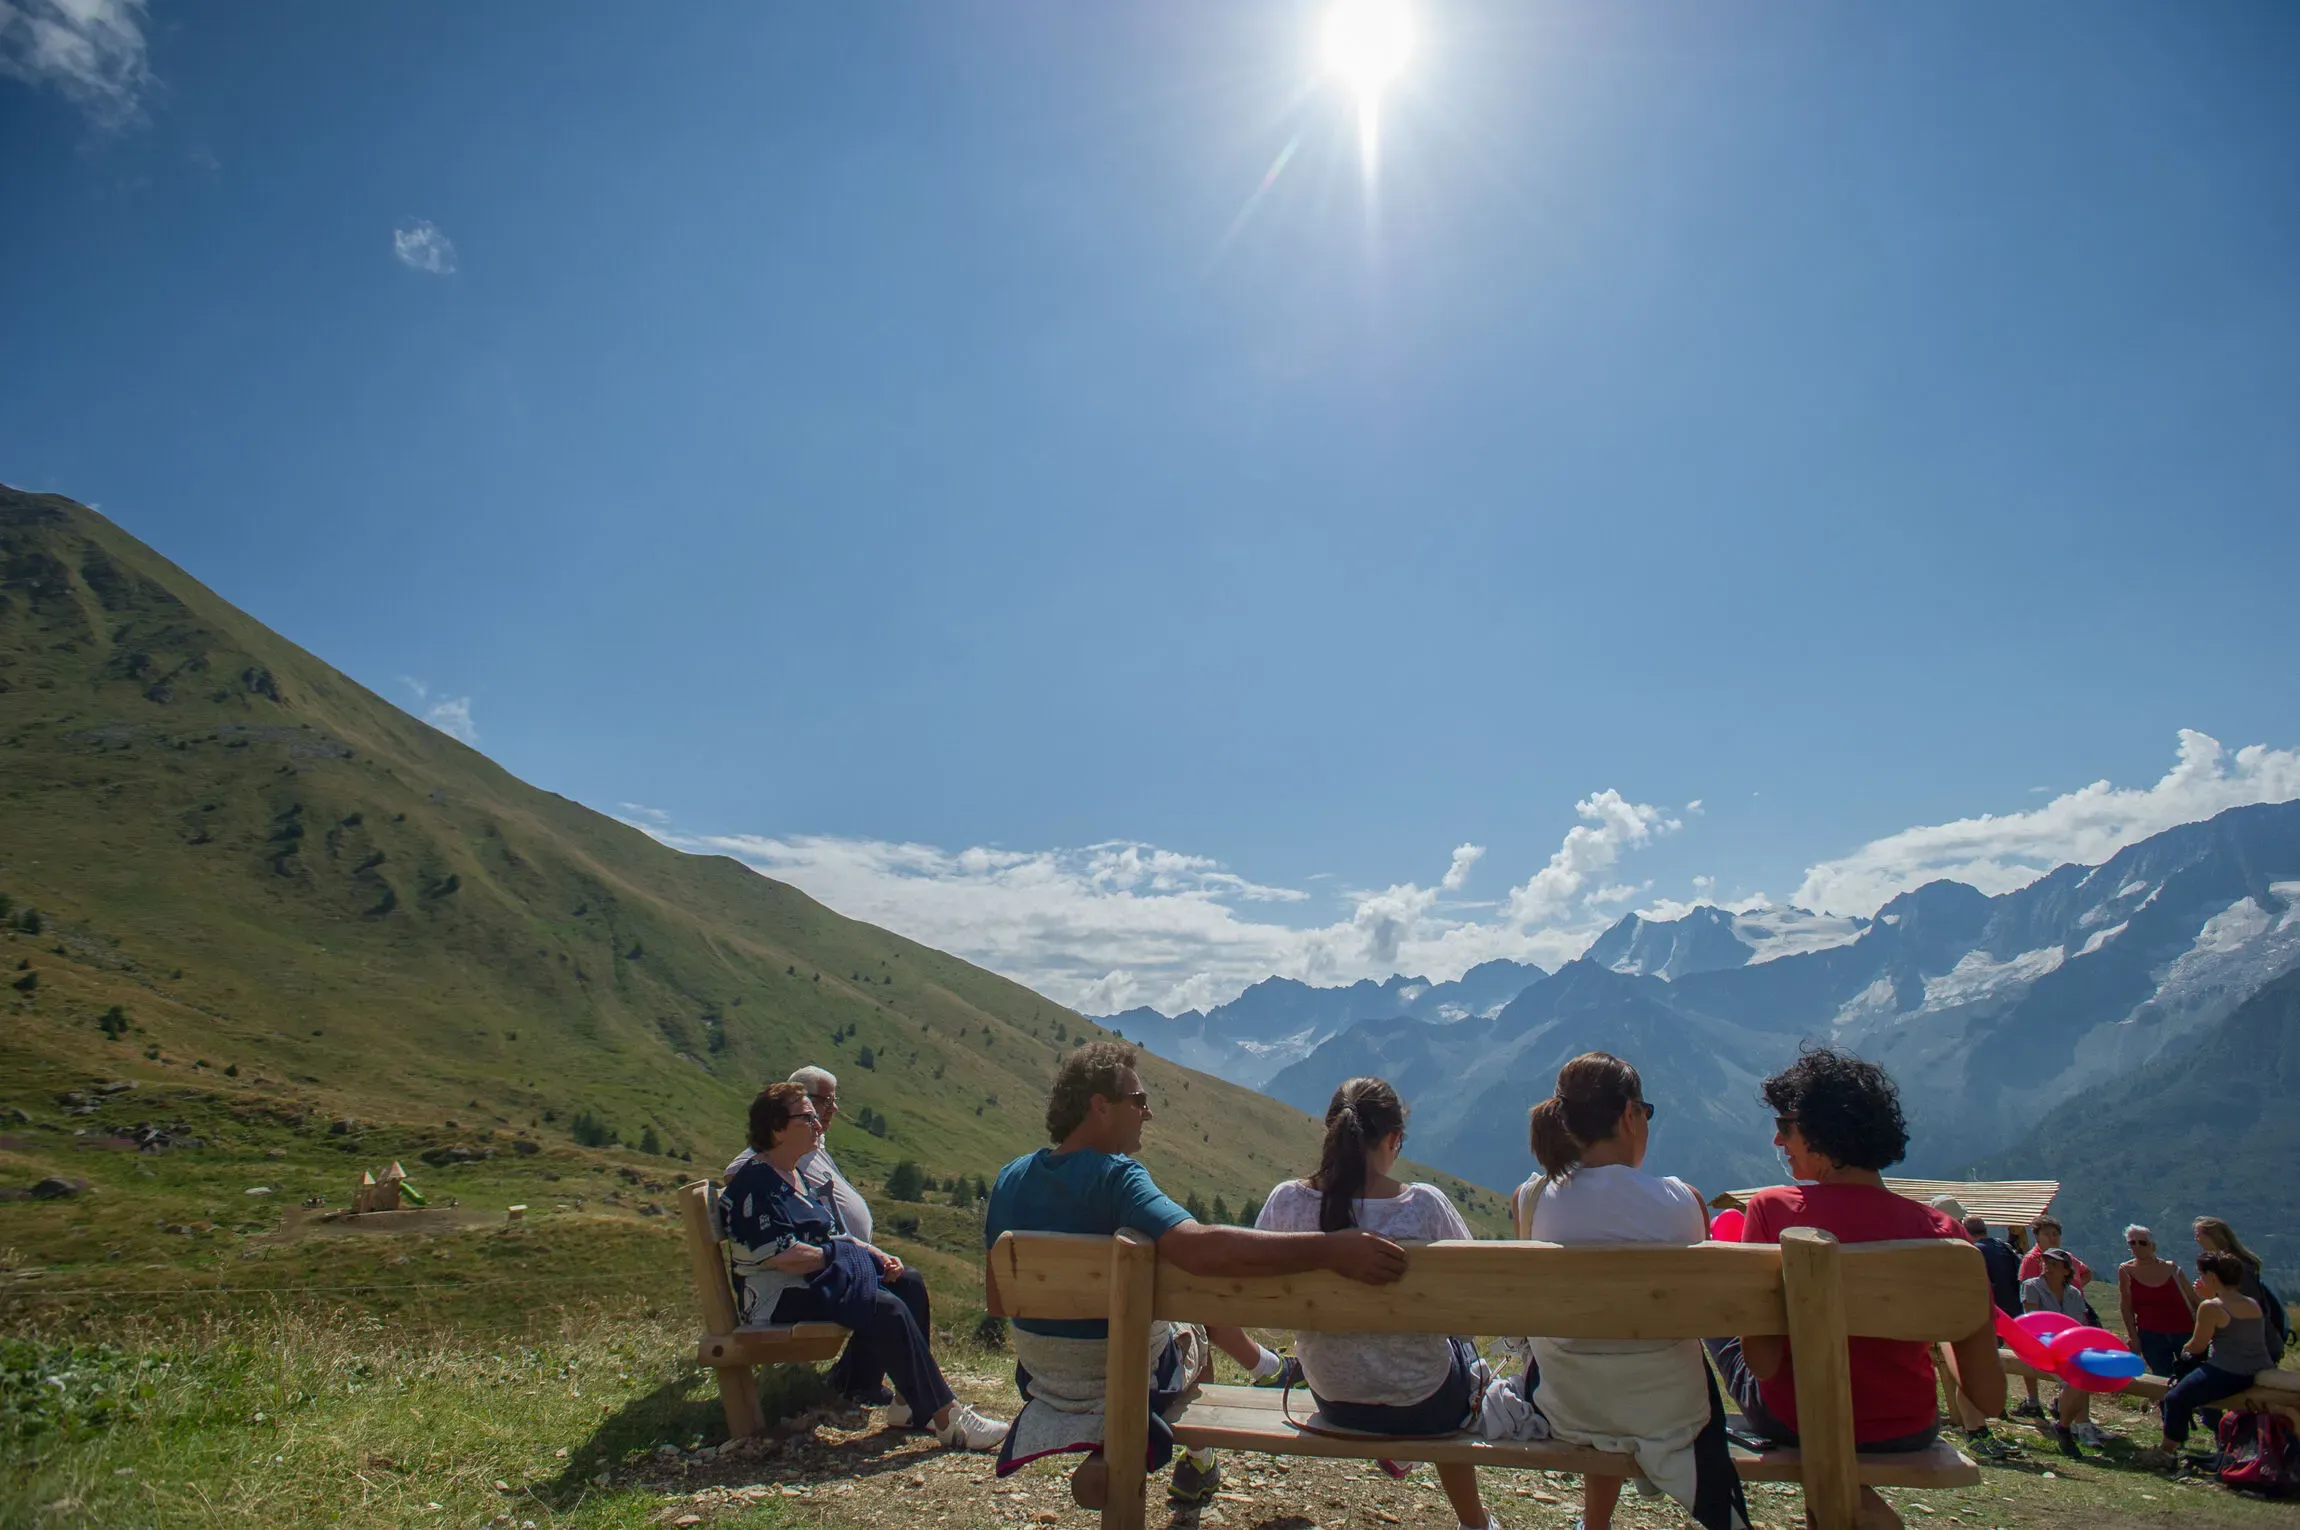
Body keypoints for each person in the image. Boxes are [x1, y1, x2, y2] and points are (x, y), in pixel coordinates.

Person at [983, 1043, 1409, 1513]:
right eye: (1138, 1101)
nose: (1147, 1113)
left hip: (1043, 1378)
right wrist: (1331, 1248)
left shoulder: (1009, 1178)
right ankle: (1199, 1462)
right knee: (1194, 1335)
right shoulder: (1117, 1177)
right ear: (1100, 1107)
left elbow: (998, 1299)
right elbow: (1200, 1247)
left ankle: (1155, 1449)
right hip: (1126, 1377)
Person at [1707, 1049, 2004, 1530]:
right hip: (1906, 1427)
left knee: (1717, 1308)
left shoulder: (1772, 1209)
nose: (1777, 1139)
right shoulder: (1946, 1234)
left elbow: (1762, 1363)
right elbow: (1988, 1397)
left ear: (1822, 1133)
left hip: (1794, 1420)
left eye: (1786, 1126)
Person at [1509, 1054, 1749, 1530]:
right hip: (1670, 1412)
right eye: (1646, 1112)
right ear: (1629, 1115)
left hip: (1568, 1404)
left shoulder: (1531, 1199)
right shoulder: (1685, 1200)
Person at [1255, 1078, 1492, 1530]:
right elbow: (1472, 1305)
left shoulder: (1287, 1202)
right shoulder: (1424, 1205)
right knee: (1458, 1352)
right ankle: (1475, 1523)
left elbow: (1267, 1325)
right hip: (1427, 1403)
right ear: (1391, 1139)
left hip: (1335, 1397)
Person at [721, 1083, 1006, 1450]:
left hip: (812, 1282)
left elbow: (831, 1234)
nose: (818, 1125)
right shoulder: (756, 1185)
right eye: (807, 1118)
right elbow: (783, 1256)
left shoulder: (792, 1175)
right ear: (777, 1128)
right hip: (778, 1297)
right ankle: (947, 1417)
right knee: (883, 1307)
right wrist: (836, 1257)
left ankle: (908, 1405)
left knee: (908, 1282)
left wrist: (870, 1253)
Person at [2137, 1251, 2277, 1470]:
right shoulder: (2251, 1303)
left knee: (2175, 1398)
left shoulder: (2212, 1307)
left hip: (2229, 1371)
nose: (2200, 1279)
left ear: (2212, 1277)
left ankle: (2167, 1450)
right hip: (2258, 1367)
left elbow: (2197, 1346)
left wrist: (2184, 1351)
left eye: (2202, 1275)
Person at [725, 1065, 873, 1243]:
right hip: (822, 1257)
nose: (834, 1108)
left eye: (834, 1100)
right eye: (827, 1100)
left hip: (840, 1254)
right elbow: (736, 1172)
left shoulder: (810, 1146)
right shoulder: (780, 1148)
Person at [2021, 1250, 2101, 1455]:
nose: (2048, 1266)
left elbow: (2078, 1325)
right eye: (2046, 1262)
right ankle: (2073, 1426)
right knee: (2076, 1378)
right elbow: (2033, 1321)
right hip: (2041, 1346)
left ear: (2066, 1271)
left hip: (2069, 1347)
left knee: (2084, 1376)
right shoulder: (2031, 1286)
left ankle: (2064, 1423)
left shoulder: (2073, 1293)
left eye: (2055, 1264)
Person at [2010, 1216, 2091, 1419]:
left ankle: (2072, 1414)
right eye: (2047, 1234)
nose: (2052, 1238)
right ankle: (2036, 1401)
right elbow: (2029, 1299)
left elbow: (2085, 1272)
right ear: (2037, 1236)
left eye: (2055, 1234)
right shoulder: (2032, 1260)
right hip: (2046, 1331)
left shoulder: (2066, 1257)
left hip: (2071, 1312)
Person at [2194, 1216, 2288, 1351]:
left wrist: (2211, 1296)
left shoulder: (2236, 1267)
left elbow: (2241, 1305)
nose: (2196, 1239)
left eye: (2198, 1235)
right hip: (2249, 1340)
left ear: (2212, 1236)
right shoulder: (2233, 1263)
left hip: (2254, 1343)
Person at [2118, 1224, 2200, 1380]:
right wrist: (2133, 1337)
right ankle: (2166, 1405)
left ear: (2152, 1246)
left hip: (2185, 1331)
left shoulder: (2172, 1269)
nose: (2137, 1246)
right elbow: (2126, 1306)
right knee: (2162, 1378)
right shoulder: (2126, 1271)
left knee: (2193, 1376)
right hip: (2151, 1336)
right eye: (2132, 1242)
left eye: (2142, 1242)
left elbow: (2194, 1299)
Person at [1966, 1215, 2022, 1319]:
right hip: (2015, 1307)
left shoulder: (1974, 1252)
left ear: (1966, 1232)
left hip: (1995, 1312)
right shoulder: (2003, 1245)